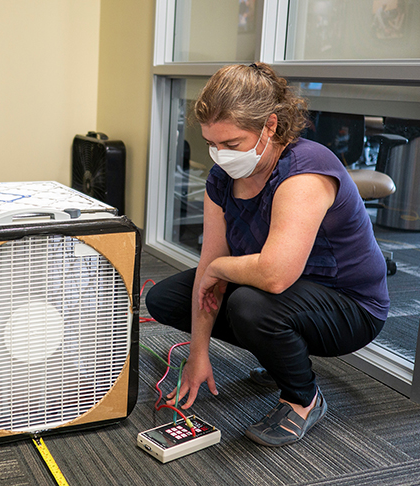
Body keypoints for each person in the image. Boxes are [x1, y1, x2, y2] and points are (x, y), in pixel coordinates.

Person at [145, 62, 389, 447]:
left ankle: (304, 398)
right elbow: (212, 266)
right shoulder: (222, 180)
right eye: (212, 143)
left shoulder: (307, 171)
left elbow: (272, 275)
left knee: (249, 304)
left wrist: (220, 269)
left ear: (270, 127)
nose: (220, 156)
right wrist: (198, 354)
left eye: (232, 144)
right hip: (286, 290)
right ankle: (279, 357)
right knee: (165, 298)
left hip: (350, 305)